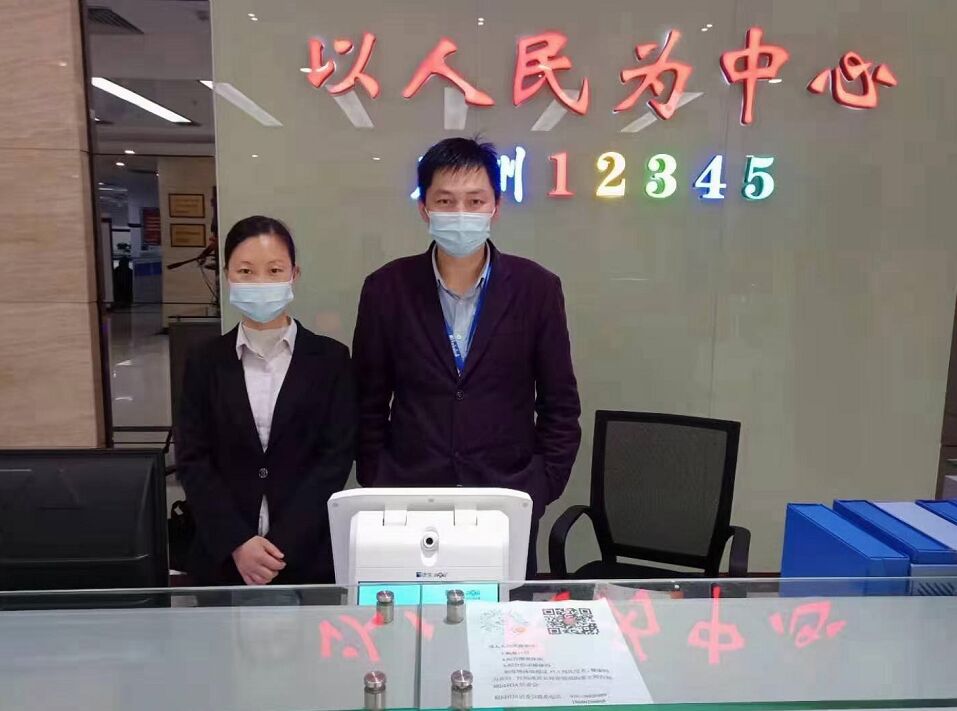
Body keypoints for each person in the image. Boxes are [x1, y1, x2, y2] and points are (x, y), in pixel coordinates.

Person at [352, 137, 582, 576]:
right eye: (445, 201)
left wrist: (540, 487)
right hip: (409, 498)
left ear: (496, 207)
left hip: (505, 499)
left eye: (475, 201)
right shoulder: (386, 288)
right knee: (415, 614)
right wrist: (378, 476)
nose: (461, 213)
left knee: (502, 617)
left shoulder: (537, 288)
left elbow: (560, 404)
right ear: (424, 208)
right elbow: (367, 399)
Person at [176, 216, 355, 586]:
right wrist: (237, 543)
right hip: (223, 559)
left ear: (294, 275)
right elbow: (193, 459)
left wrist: (280, 546)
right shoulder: (204, 361)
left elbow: (334, 459)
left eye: (274, 271)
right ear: (227, 275)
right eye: (246, 271)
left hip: (307, 557)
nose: (261, 283)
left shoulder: (330, 359)